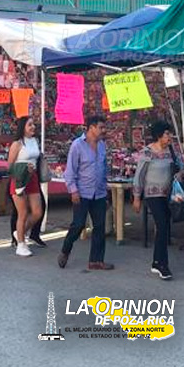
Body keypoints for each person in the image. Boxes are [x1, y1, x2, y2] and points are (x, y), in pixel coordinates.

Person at [59, 116, 112, 271]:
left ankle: (96, 260)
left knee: (100, 226)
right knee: (78, 225)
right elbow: (70, 171)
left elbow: (103, 168)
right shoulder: (77, 145)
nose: (104, 130)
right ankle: (65, 249)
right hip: (82, 192)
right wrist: (73, 190)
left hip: (99, 193)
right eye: (101, 127)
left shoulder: (102, 145)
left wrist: (106, 190)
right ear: (91, 128)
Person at [132, 120, 184, 280]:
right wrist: (136, 197)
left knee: (164, 227)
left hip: (168, 195)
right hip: (152, 195)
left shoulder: (172, 151)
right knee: (162, 225)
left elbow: (181, 167)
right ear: (159, 136)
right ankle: (163, 265)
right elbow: (139, 176)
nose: (170, 137)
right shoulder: (147, 152)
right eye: (167, 134)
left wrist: (180, 173)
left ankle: (156, 262)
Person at [7, 116, 44, 257]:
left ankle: (20, 232)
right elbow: (9, 166)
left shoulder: (34, 141)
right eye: (30, 125)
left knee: (37, 212)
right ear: (23, 127)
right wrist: (23, 167)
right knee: (22, 213)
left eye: (33, 124)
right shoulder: (17, 144)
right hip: (19, 180)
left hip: (33, 178)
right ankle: (21, 244)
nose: (33, 127)